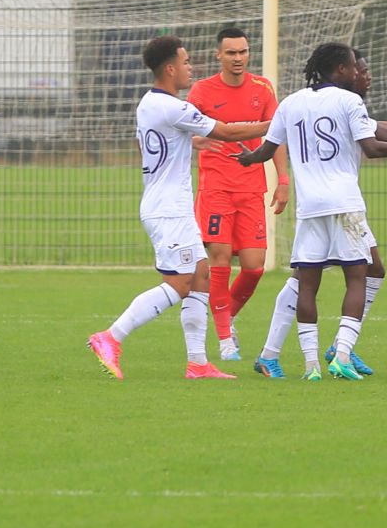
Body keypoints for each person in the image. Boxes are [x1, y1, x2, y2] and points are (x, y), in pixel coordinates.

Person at [235, 42, 387, 381]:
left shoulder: (292, 102)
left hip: (310, 206)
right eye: (358, 68)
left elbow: (266, 150)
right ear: (343, 70)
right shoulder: (348, 102)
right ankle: (328, 351)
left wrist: (248, 158)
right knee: (354, 275)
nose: (363, 74)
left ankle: (315, 361)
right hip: (344, 203)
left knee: (342, 274)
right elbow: (375, 146)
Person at [87, 35, 272, 380]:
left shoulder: (149, 103)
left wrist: (191, 140)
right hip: (168, 209)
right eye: (185, 62)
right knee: (181, 283)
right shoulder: (175, 107)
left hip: (170, 206)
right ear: (170, 69)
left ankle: (198, 363)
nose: (191, 67)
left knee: (201, 277)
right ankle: (110, 337)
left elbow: (155, 143)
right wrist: (278, 125)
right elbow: (228, 132)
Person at [187, 28, 289, 361]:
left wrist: (283, 180)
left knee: (254, 266)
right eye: (231, 52)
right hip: (216, 187)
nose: (238, 58)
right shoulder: (202, 91)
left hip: (251, 188)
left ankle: (225, 316)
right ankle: (224, 339)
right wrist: (197, 140)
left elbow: (275, 136)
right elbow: (185, 129)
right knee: (220, 259)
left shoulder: (263, 88)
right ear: (219, 55)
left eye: (243, 51)